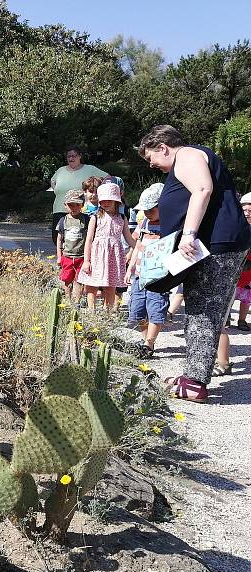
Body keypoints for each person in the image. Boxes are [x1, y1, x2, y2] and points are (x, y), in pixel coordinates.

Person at [138, 124, 251, 401]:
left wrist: (188, 234)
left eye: (151, 156)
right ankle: (194, 375)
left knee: (204, 311)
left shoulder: (187, 155)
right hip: (212, 245)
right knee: (202, 308)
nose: (152, 163)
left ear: (163, 146)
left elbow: (202, 189)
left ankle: (194, 383)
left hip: (215, 244)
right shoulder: (191, 157)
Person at [77, 182, 136, 311]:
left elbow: (129, 239)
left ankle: (108, 314)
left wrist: (143, 246)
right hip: (97, 257)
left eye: (109, 200)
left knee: (111, 286)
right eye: (103, 200)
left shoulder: (122, 218)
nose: (106, 203)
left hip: (113, 258)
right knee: (92, 286)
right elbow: (88, 241)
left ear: (116, 201)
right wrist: (86, 261)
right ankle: (91, 312)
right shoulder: (95, 218)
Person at [125, 183, 168, 357]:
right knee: (138, 310)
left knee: (156, 309)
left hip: (157, 276)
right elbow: (137, 246)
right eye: (145, 210)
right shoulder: (144, 223)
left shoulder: (169, 224)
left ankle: (149, 343)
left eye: (151, 210)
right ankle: (145, 341)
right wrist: (130, 268)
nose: (147, 213)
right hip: (139, 275)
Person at [50, 147, 108, 244]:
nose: (71, 158)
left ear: (80, 156)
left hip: (80, 210)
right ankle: (62, 258)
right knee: (58, 238)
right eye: (68, 156)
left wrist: (99, 192)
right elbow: (52, 181)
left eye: (73, 156)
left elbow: (108, 178)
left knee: (78, 240)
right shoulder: (60, 170)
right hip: (59, 210)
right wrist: (56, 190)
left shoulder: (89, 169)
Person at [56, 190, 89, 304]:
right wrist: (59, 256)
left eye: (77, 205)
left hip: (81, 256)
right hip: (67, 255)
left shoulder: (86, 219)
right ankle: (67, 300)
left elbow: (90, 238)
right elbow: (59, 239)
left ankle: (76, 302)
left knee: (79, 280)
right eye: (70, 205)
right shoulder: (63, 220)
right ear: (65, 205)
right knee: (66, 279)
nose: (74, 207)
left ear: (82, 205)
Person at [229, 192, 251, 332]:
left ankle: (242, 320)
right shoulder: (236, 225)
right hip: (236, 265)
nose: (248, 213)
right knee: (230, 293)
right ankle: (225, 317)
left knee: (246, 297)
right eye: (245, 210)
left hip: (249, 267)